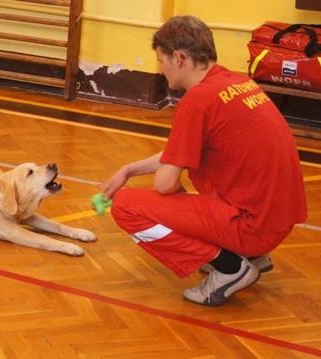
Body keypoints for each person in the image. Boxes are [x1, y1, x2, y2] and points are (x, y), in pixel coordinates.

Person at [102, 15, 307, 306]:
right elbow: (183, 151)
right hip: (276, 221)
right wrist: (129, 169)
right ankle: (250, 258)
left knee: (126, 207)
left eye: (161, 61)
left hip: (252, 227)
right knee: (204, 169)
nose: (160, 70)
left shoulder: (197, 101)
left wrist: (174, 199)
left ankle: (230, 267)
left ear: (178, 57)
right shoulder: (234, 81)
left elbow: (166, 184)